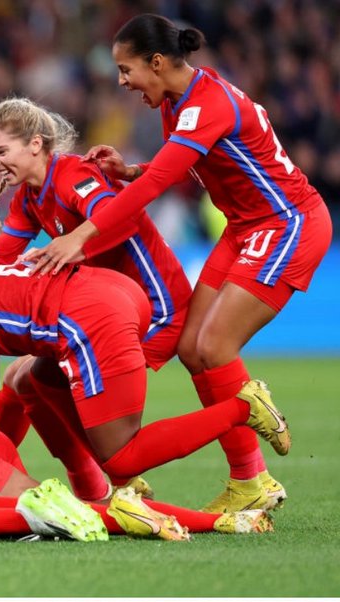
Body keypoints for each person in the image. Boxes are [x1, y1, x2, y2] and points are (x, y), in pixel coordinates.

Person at [22, 14, 331, 514]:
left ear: (157, 62)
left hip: (287, 224)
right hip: (244, 228)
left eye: (126, 69)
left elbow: (158, 185)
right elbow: (182, 164)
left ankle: (251, 453)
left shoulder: (208, 103)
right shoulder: (178, 102)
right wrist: (131, 169)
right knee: (191, 346)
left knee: (214, 345)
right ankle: (251, 479)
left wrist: (82, 233)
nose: (122, 81)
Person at [0, 211, 291, 499]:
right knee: (36, 378)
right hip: (109, 292)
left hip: (89, 317)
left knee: (123, 453)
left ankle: (242, 407)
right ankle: (97, 490)